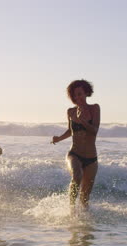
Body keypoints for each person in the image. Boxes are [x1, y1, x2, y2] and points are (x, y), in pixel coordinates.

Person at [52, 80, 100, 209]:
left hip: (91, 159)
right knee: (77, 175)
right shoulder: (70, 112)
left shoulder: (94, 108)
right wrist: (59, 138)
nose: (77, 98)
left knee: (85, 199)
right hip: (74, 154)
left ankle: (84, 224)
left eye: (80, 94)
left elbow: (94, 130)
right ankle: (71, 209)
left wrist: (83, 121)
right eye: (75, 95)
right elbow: (70, 131)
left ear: (86, 93)